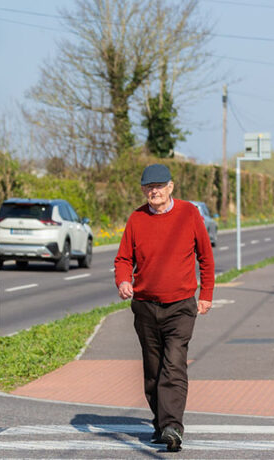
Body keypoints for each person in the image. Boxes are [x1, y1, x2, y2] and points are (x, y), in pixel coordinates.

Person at [113, 163, 214, 452]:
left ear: (171, 187)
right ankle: (161, 423)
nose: (153, 191)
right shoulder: (136, 219)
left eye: (158, 186)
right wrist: (123, 281)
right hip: (145, 305)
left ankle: (172, 426)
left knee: (174, 365)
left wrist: (205, 293)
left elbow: (205, 257)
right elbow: (123, 259)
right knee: (153, 370)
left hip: (181, 305)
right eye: (148, 187)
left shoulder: (189, 214)